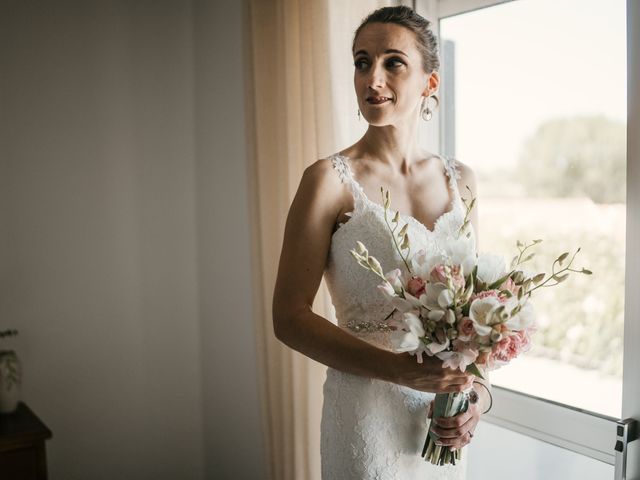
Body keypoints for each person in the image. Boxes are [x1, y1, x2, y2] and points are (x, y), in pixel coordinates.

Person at [272, 5, 492, 479]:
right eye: (361, 61)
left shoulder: (463, 181)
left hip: (443, 420)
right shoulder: (328, 181)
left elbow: (475, 316)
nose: (373, 78)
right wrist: (399, 371)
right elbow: (288, 318)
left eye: (393, 62)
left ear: (430, 83)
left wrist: (476, 397)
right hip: (365, 414)